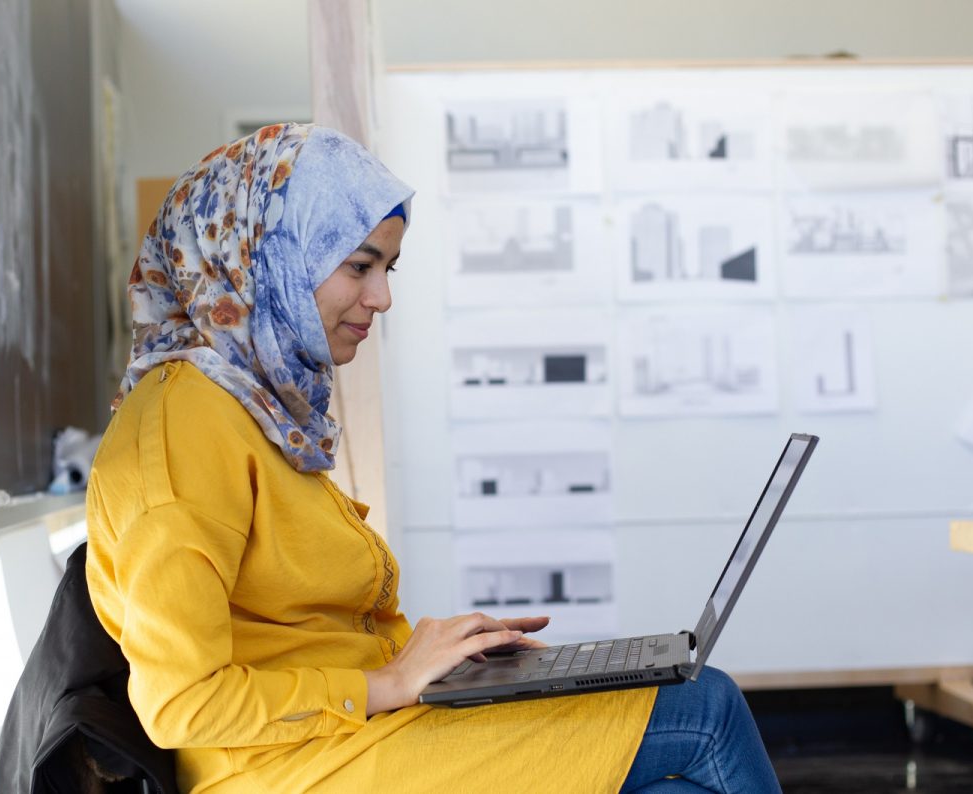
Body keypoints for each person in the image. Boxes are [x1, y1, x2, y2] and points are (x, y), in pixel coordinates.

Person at [85, 123, 781, 793]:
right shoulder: (185, 424)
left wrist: (436, 659)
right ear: (267, 257)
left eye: (386, 267)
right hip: (287, 770)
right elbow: (182, 705)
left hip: (353, 736)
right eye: (359, 266)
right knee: (703, 711)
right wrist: (387, 681)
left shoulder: (255, 408)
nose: (381, 298)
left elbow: (297, 630)